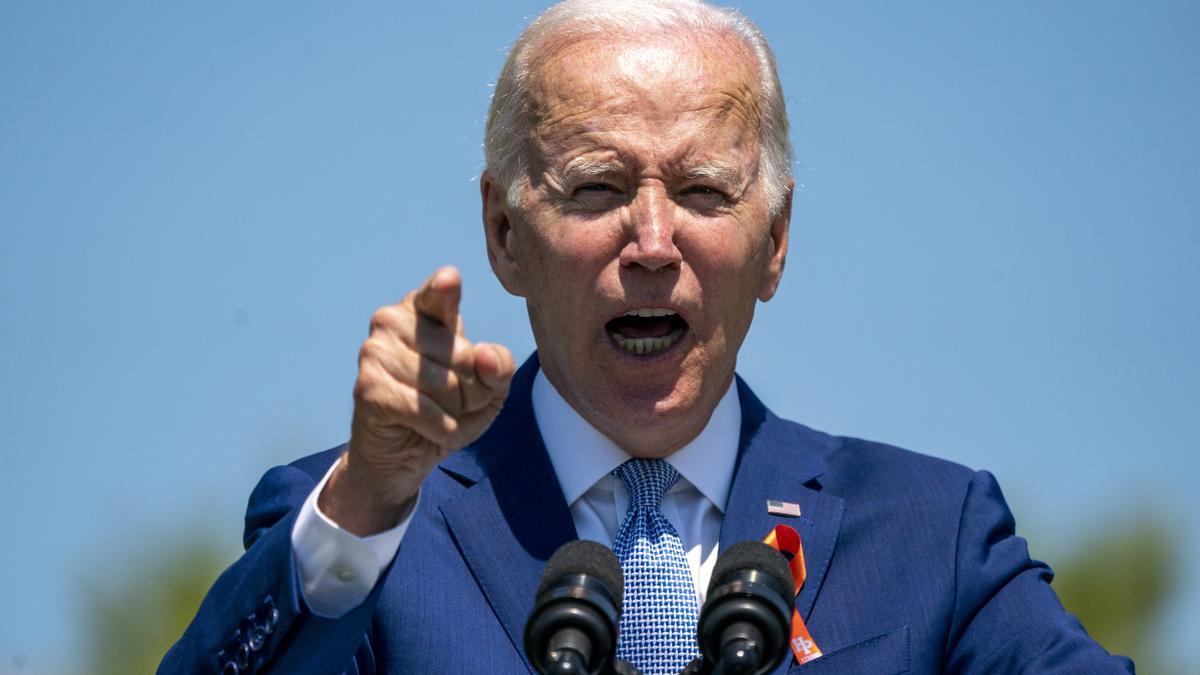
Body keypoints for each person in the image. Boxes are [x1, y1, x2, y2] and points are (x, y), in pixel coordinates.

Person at [162, 1, 1134, 673]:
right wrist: (371, 500)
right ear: (506, 234)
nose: (656, 243)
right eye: (598, 187)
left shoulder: (934, 537)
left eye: (705, 191)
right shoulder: (370, 525)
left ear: (778, 243)